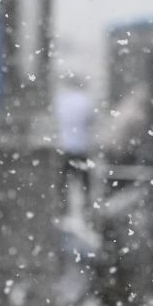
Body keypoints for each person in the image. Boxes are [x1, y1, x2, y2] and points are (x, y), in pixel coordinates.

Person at [55, 74, 94, 217]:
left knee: (63, 181)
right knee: (85, 182)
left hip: (65, 146)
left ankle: (63, 208)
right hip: (82, 147)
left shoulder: (62, 100)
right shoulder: (85, 101)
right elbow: (90, 121)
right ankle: (86, 208)